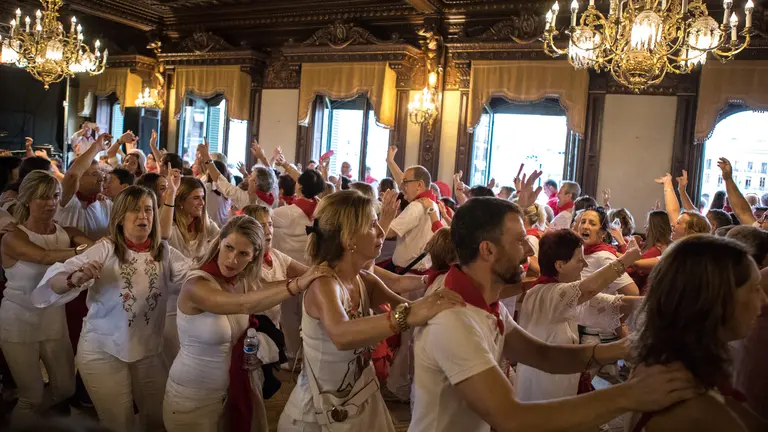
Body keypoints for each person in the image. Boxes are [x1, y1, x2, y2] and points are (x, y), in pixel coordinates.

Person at [409, 195, 701, 432]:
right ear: (487, 250)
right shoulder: (454, 319)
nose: (529, 251)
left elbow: (544, 355)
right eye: (520, 241)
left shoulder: (483, 304)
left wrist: (624, 348)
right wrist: (629, 394)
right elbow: (511, 418)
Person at [278, 190, 463, 432]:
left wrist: (444, 293)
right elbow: (342, 334)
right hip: (319, 413)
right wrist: (409, 315)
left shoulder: (363, 279)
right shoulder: (324, 284)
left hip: (359, 399)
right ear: (348, 238)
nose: (381, 232)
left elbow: (407, 306)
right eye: (372, 225)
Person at [32, 186, 189, 432]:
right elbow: (55, 280)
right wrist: (74, 278)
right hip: (102, 350)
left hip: (148, 351)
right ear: (120, 217)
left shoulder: (164, 252)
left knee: (159, 418)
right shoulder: (106, 249)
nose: (143, 216)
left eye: (148, 210)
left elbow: (194, 276)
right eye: (135, 210)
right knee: (118, 424)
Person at [162, 216, 329, 431]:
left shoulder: (240, 281)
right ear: (219, 243)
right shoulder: (196, 285)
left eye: (243, 254)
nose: (232, 260)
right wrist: (297, 285)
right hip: (192, 397)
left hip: (230, 391)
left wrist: (321, 275)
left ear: (253, 257)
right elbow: (242, 304)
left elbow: (264, 289)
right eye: (229, 248)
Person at [626, 235, 767, 431]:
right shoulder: (696, 410)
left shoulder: (671, 368)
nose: (764, 300)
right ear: (717, 300)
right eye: (755, 288)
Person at [0, 171, 93, 423]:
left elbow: (95, 248)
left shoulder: (67, 232)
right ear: (27, 199)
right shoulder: (13, 237)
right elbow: (43, 256)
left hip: (53, 321)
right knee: (31, 395)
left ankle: (29, 420)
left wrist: (85, 249)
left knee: (65, 388)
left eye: (55, 196)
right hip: (18, 322)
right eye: (43, 197)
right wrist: (79, 251)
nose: (51, 203)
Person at [515, 230, 642, 402]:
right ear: (560, 265)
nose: (585, 264)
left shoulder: (561, 294)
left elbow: (610, 303)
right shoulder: (546, 294)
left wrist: (653, 302)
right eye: (579, 259)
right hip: (544, 387)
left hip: (559, 380)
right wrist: (627, 259)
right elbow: (589, 288)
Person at [384, 166, 437, 274]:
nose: (402, 187)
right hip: (419, 269)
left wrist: (384, 215)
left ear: (419, 185)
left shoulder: (416, 206)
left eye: (405, 182)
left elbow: (388, 232)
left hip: (408, 273)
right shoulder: (432, 203)